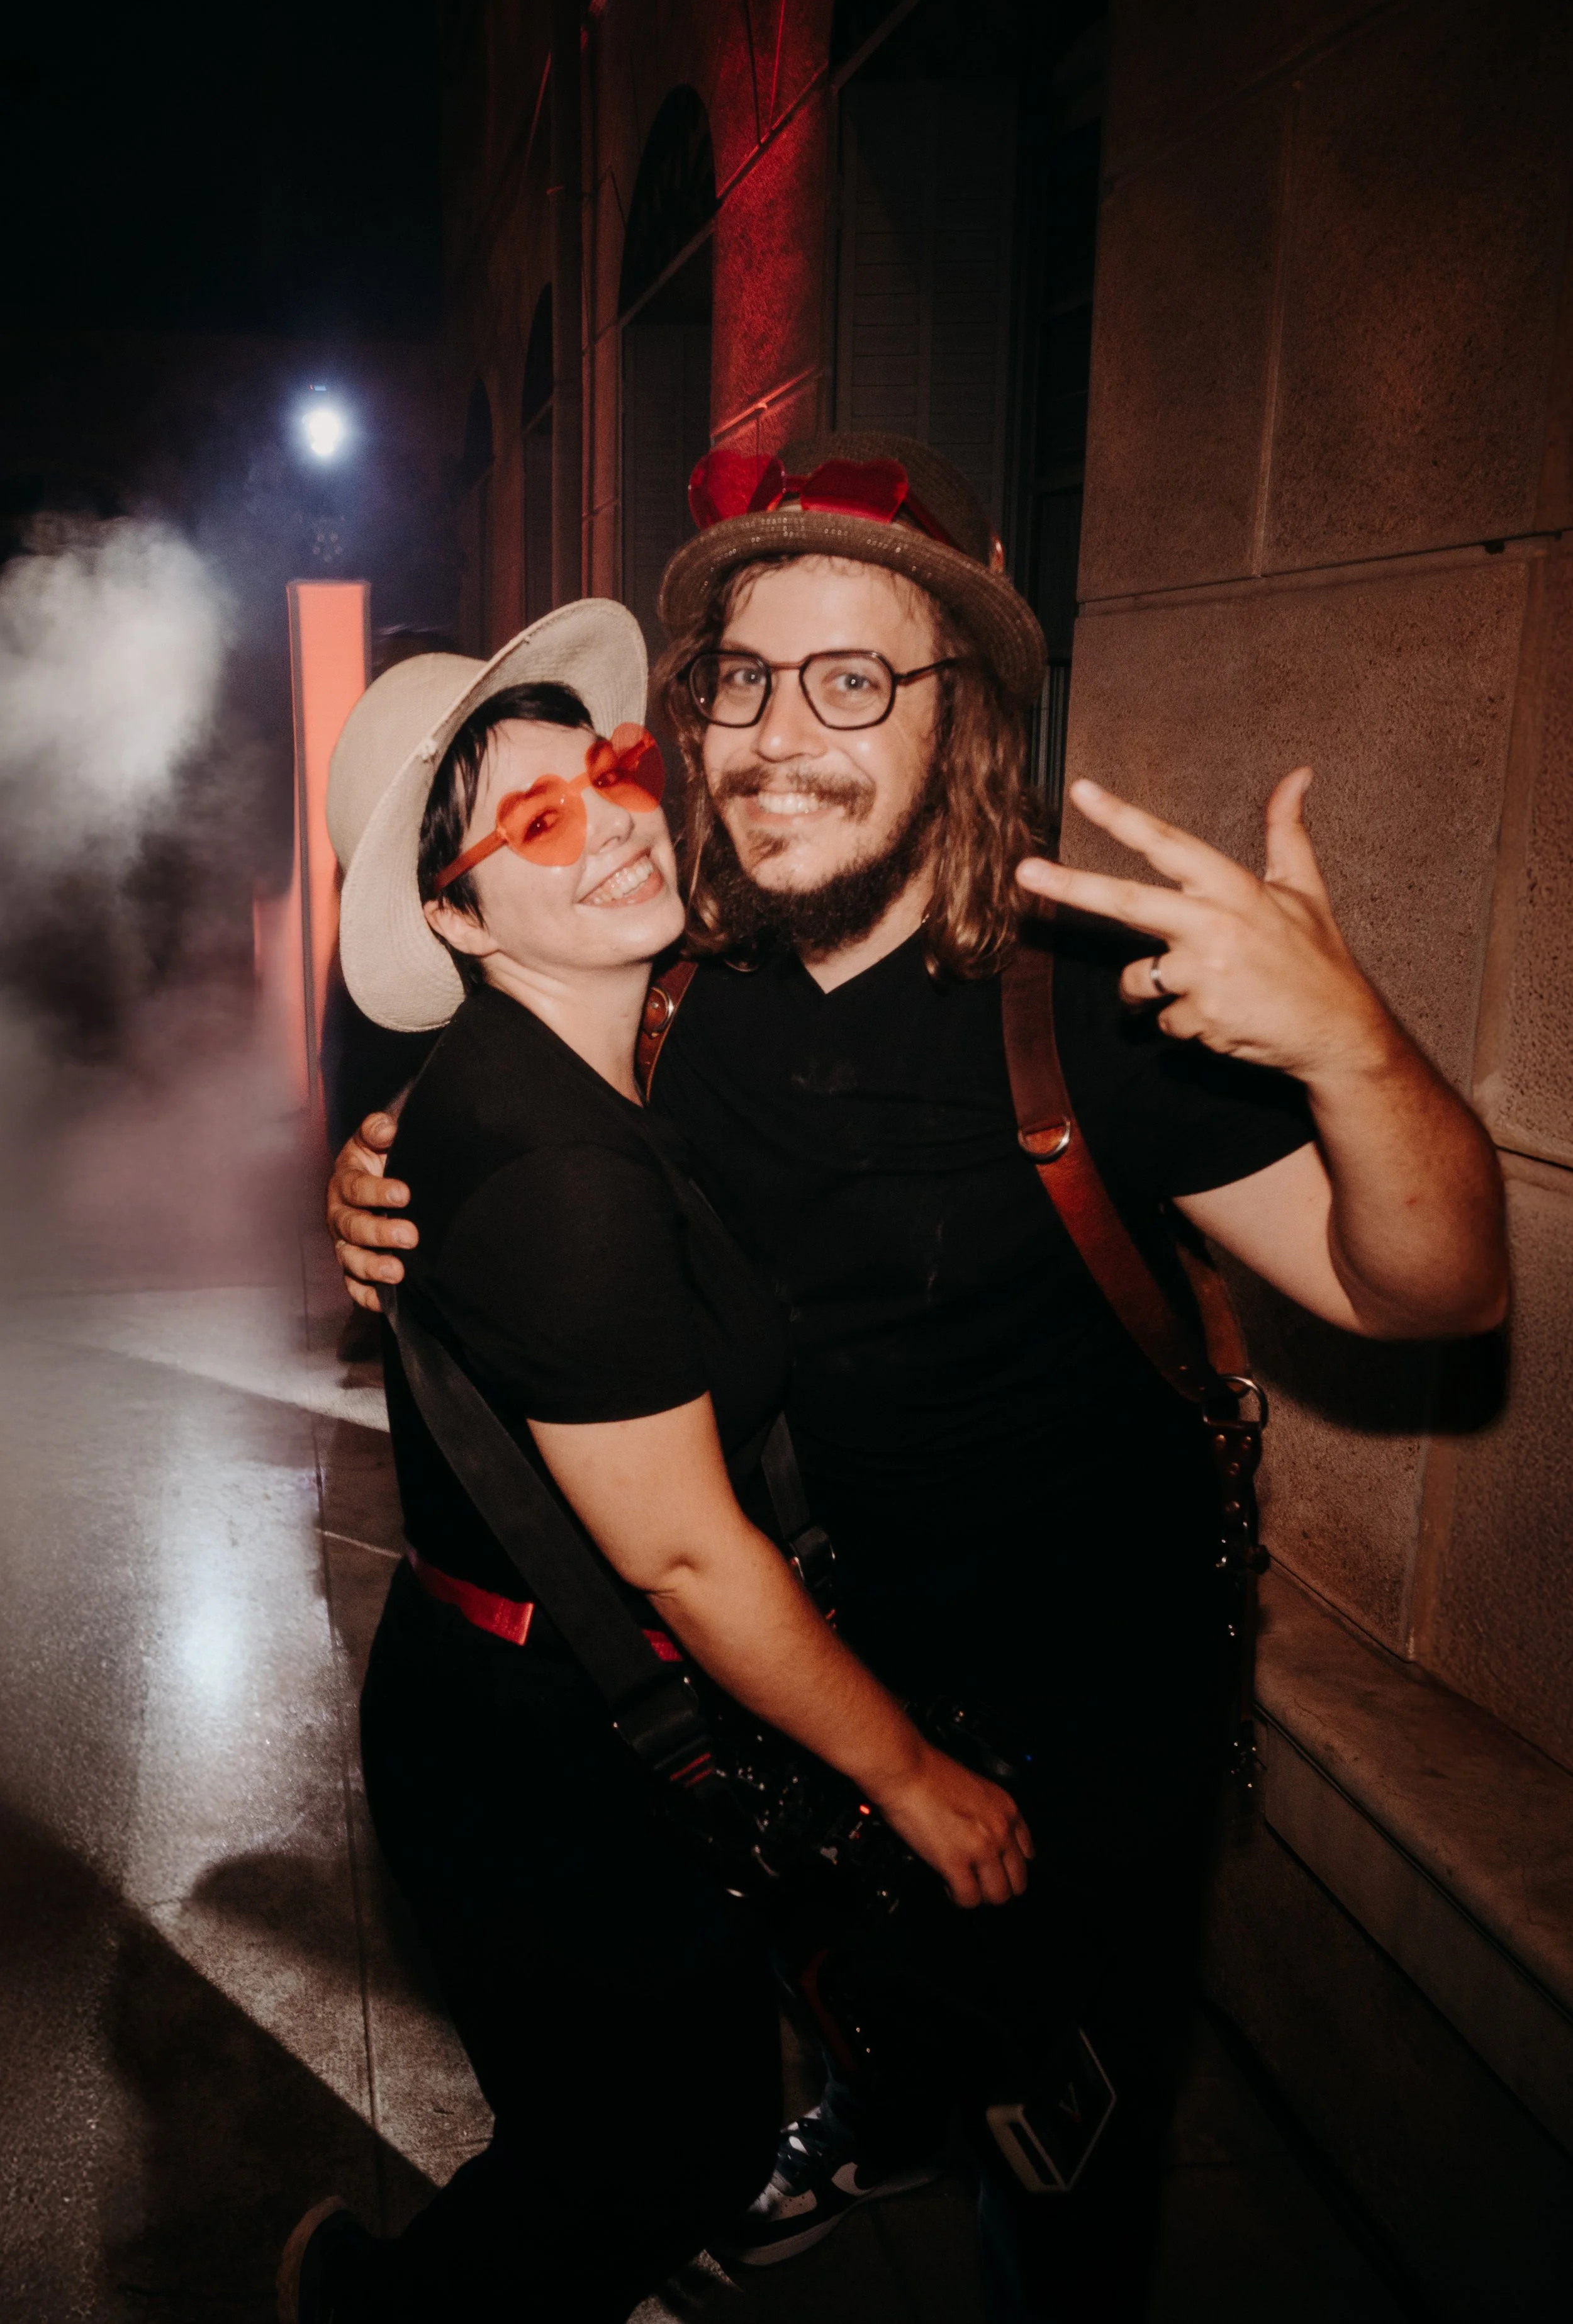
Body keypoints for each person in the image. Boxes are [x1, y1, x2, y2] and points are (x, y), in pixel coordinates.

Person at [327, 437, 1508, 2322]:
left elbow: (1428, 1290)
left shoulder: (1091, 1008)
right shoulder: (680, 976)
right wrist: (380, 1169)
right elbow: (525, 1123)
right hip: (823, 1700)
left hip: (1082, 1707)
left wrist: (1351, 1044)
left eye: (855, 679)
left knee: (1066, 2171)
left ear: (962, 720)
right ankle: (874, 2106)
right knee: (883, 2029)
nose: (782, 735)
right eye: (739, 678)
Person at [279, 598, 1029, 2324]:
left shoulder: (594, 1063)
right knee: (636, 2155)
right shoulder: (553, 1158)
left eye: (611, 769)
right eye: (533, 819)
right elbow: (685, 1552)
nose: (615, 819)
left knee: (643, 2134)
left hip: (558, 1726)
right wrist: (912, 1778)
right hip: (542, 1760)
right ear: (456, 914)